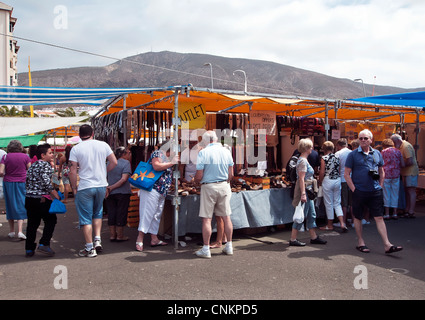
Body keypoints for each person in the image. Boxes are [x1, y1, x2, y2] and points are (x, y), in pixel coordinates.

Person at [345, 129, 402, 254]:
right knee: (358, 217)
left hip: (375, 190)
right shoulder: (353, 155)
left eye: (366, 138)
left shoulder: (377, 153)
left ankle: (387, 244)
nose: (363, 140)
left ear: (371, 140)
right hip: (359, 191)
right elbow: (346, 174)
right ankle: (360, 242)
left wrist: (380, 185)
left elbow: (381, 170)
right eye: (361, 138)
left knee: (379, 217)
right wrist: (354, 189)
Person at [69, 124, 118, 258]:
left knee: (86, 218)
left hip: (85, 186)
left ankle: (89, 248)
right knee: (98, 213)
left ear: (79, 135)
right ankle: (97, 240)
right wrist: (103, 172)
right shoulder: (103, 145)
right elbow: (114, 162)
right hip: (101, 185)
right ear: (92, 133)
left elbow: (72, 171)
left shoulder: (76, 149)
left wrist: (74, 188)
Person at [194, 130, 234, 258]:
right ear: (216, 139)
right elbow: (231, 175)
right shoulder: (226, 151)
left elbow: (199, 175)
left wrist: (195, 181)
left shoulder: (203, 153)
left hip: (209, 186)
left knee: (206, 218)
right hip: (224, 185)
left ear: (205, 141)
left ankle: (206, 249)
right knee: (226, 217)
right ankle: (229, 246)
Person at [135, 140, 179, 252]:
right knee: (147, 212)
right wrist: (172, 163)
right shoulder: (158, 153)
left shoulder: (169, 158)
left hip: (161, 190)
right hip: (152, 188)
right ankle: (140, 238)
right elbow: (156, 166)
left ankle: (154, 238)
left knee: (156, 214)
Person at [24, 144, 61, 257]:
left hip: (30, 198)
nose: (52, 155)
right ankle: (44, 243)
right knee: (51, 220)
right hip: (41, 199)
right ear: (43, 155)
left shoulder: (33, 165)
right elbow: (46, 182)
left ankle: (29, 249)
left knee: (32, 224)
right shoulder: (45, 165)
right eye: (50, 153)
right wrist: (55, 193)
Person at [289, 138, 327, 247]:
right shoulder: (302, 161)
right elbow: (301, 179)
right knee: (301, 214)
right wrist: (303, 194)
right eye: (310, 147)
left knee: (311, 214)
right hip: (305, 189)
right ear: (306, 148)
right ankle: (293, 238)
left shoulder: (303, 160)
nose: (312, 148)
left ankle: (313, 236)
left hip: (308, 190)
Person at [0, 140, 31, 240]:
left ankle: (12, 231)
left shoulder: (5, 157)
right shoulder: (26, 157)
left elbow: (1, 172)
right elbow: (30, 170)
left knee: (10, 204)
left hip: (8, 182)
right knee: (21, 203)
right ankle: (20, 231)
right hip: (22, 182)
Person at [105, 147, 132, 242]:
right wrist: (112, 187)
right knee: (121, 213)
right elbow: (124, 179)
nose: (130, 155)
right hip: (122, 192)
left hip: (109, 192)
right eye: (128, 153)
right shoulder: (126, 163)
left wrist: (109, 188)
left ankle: (112, 235)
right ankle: (120, 236)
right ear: (123, 154)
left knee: (111, 212)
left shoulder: (109, 163)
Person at [318, 141, 347, 232]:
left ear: (324, 149)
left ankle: (330, 224)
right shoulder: (337, 157)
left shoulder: (324, 158)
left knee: (329, 203)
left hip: (328, 180)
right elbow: (338, 169)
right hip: (337, 180)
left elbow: (322, 172)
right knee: (337, 203)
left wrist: (320, 181)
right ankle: (342, 223)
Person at [390, 134, 419, 218]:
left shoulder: (406, 146)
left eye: (394, 142)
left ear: (398, 141)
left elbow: (410, 161)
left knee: (411, 190)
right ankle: (407, 209)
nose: (393, 145)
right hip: (405, 172)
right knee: (407, 191)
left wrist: (401, 165)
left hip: (410, 172)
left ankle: (411, 211)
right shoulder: (401, 146)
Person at [381, 138, 404, 220]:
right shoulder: (398, 151)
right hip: (396, 174)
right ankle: (394, 213)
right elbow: (403, 164)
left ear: (384, 145)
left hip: (386, 174)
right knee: (395, 193)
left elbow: (380, 163)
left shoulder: (383, 152)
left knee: (386, 194)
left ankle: (387, 213)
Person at [335, 138, 353, 227]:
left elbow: (337, 168)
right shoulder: (352, 153)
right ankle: (353, 221)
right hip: (352, 179)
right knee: (352, 202)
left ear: (338, 145)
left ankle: (344, 221)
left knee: (344, 202)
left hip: (342, 179)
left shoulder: (338, 154)